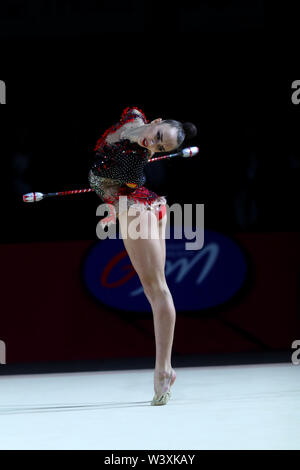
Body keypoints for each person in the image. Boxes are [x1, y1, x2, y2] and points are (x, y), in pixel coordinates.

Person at [89, 107, 197, 405]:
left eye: (161, 147)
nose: (155, 144)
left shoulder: (132, 164)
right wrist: (112, 203)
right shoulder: (132, 116)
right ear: (155, 121)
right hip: (147, 203)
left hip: (137, 209)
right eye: (159, 136)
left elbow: (115, 187)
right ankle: (166, 369)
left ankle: (163, 370)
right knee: (157, 289)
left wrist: (113, 206)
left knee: (156, 290)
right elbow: (130, 113)